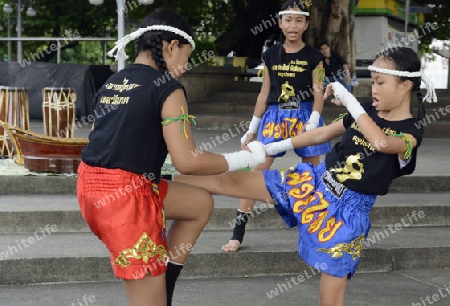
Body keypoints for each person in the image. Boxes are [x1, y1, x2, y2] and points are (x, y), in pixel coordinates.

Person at [173, 46, 437, 305]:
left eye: (380, 82)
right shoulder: (366, 110)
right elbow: (322, 133)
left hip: (347, 215)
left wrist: (350, 100)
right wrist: (273, 147)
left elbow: (381, 143)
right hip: (314, 183)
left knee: (329, 299)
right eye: (373, 82)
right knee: (230, 179)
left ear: (404, 86)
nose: (374, 88)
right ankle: (160, 181)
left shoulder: (411, 132)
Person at [76, 8, 266, 306]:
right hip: (127, 200)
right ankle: (158, 294)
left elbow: (102, 134)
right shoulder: (168, 88)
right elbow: (187, 161)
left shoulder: (113, 82)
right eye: (186, 57)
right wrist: (244, 159)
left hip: (91, 190)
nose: (185, 66)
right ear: (170, 46)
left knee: (199, 204)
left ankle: (164, 284)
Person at [221, 0, 332, 252]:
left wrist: (313, 121)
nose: (293, 25)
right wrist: (252, 127)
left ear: (306, 24)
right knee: (255, 173)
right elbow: (264, 93)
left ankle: (316, 233)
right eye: (288, 20)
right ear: (280, 23)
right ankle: (237, 233)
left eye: (299, 20)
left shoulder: (315, 57)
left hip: (305, 117)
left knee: (313, 176)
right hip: (274, 118)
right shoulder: (270, 54)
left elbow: (318, 91)